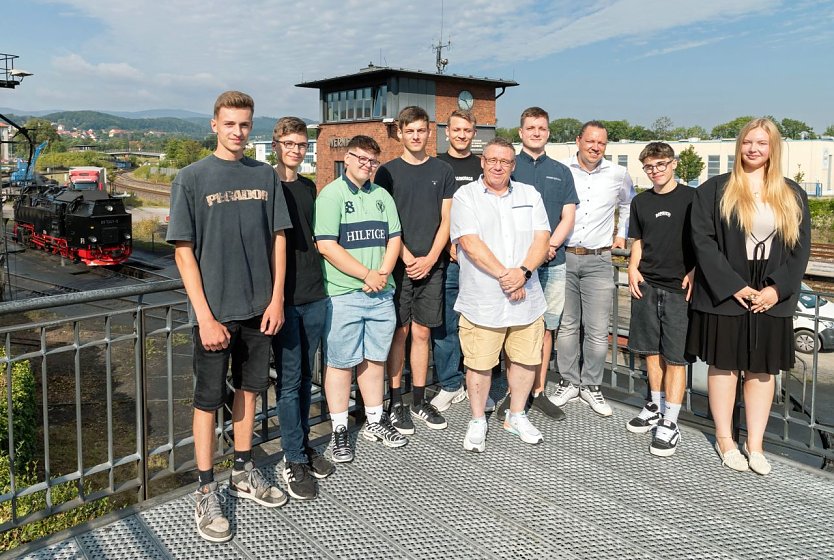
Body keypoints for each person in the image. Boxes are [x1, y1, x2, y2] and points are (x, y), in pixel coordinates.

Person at [167, 91, 291, 543]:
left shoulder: (265, 176)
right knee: (205, 401)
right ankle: (205, 488)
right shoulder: (191, 177)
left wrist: (276, 299)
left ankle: (243, 469)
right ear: (214, 125)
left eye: (245, 124)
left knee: (250, 392)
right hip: (215, 313)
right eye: (230, 124)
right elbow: (183, 251)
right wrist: (203, 315)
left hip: (260, 309)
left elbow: (279, 238)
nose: (238, 132)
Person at [687, 118, 810, 475]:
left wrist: (776, 289)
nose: (753, 149)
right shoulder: (714, 190)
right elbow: (704, 242)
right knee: (724, 365)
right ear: (739, 146)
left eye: (762, 143)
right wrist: (733, 285)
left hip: (772, 290)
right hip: (728, 288)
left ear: (774, 148)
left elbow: (800, 249)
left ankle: (755, 444)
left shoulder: (792, 192)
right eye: (747, 142)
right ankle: (725, 439)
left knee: (762, 370)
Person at [451, 137, 551, 452]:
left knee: (524, 359)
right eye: (492, 160)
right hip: (484, 299)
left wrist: (522, 273)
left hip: (526, 296)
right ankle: (478, 419)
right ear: (483, 162)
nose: (498, 166)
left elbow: (542, 238)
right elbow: (469, 242)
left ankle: (516, 415)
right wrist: (505, 276)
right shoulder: (465, 196)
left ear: (512, 165)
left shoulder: (529, 194)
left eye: (505, 161)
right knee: (479, 362)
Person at [314, 135, 407, 463]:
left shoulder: (382, 195)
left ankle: (374, 420)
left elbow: (394, 238)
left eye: (372, 161)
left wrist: (381, 272)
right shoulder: (331, 195)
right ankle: (339, 428)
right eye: (361, 159)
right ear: (347, 158)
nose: (367, 166)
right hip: (344, 294)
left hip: (381, 293)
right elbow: (326, 245)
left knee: (374, 359)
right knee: (340, 362)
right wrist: (365, 275)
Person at [375, 106, 456, 433]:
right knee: (400, 333)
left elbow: (446, 219)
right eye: (410, 131)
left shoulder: (443, 170)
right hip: (398, 267)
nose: (416, 136)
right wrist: (406, 257)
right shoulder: (387, 172)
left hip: (432, 266)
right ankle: (395, 403)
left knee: (423, 333)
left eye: (421, 131)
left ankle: (419, 400)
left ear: (429, 131)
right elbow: (383, 221)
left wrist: (431, 257)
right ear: (400, 133)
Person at [270, 117, 335, 500]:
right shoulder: (266, 186)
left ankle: (303, 447)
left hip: (314, 293)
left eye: (301, 144)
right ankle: (293, 457)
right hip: (285, 299)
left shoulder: (309, 187)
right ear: (276, 144)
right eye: (289, 143)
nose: (296, 150)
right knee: (290, 380)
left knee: (304, 377)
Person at [499, 106, 578, 421]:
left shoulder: (561, 171)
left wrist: (550, 245)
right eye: (530, 128)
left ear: (548, 132)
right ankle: (511, 392)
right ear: (521, 132)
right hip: (517, 264)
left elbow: (568, 215)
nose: (536, 132)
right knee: (514, 327)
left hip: (553, 262)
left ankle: (538, 391)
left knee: (547, 328)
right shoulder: (509, 168)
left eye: (541, 128)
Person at [552, 121, 635, 416]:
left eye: (601, 143)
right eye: (590, 141)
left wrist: (621, 234)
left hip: (600, 259)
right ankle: (568, 381)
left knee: (599, 330)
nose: (595, 147)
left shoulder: (618, 174)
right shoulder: (563, 171)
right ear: (578, 141)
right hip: (565, 255)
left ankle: (591, 386)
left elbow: (628, 205)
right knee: (568, 325)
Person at [626, 142, 695, 457]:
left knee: (675, 357)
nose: (656, 171)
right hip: (647, 284)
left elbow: (703, 242)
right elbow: (637, 240)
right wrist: (631, 267)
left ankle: (671, 422)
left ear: (674, 164)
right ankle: (654, 405)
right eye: (650, 167)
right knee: (651, 352)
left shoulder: (693, 199)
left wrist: (694, 271)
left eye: (661, 164)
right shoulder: (640, 202)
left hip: (679, 289)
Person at [430, 109, 483, 412]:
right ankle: (451, 383)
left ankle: (480, 383)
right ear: (447, 132)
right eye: (457, 130)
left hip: (480, 262)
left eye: (467, 130)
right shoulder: (436, 166)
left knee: (481, 325)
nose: (462, 135)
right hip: (448, 260)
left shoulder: (483, 165)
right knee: (447, 324)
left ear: (474, 134)